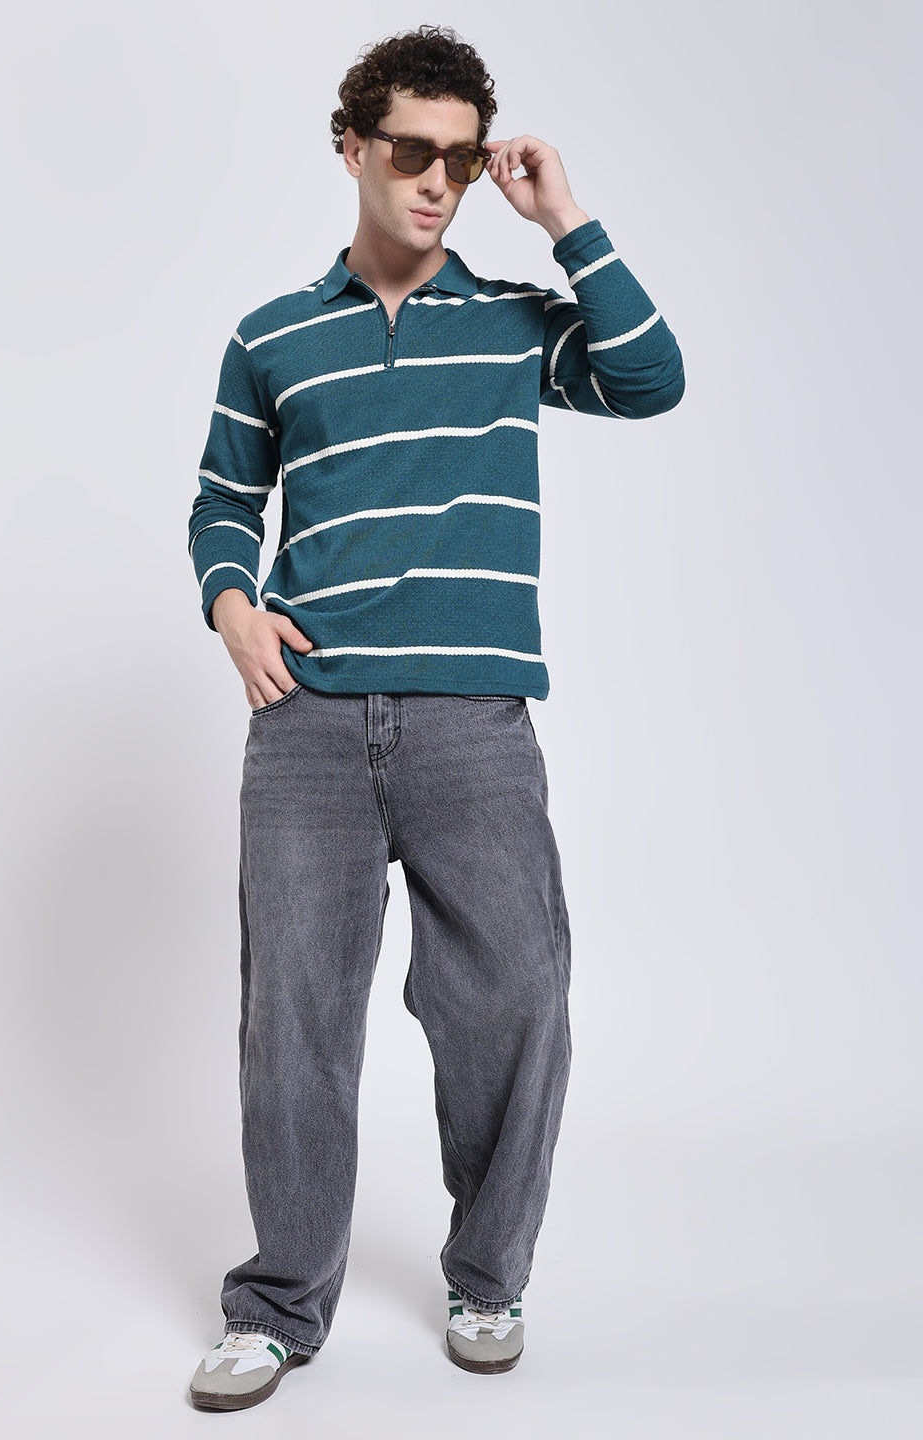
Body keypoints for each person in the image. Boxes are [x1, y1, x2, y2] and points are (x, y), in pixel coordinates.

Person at [185, 24, 684, 1411]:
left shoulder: (517, 324)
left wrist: (565, 218)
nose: (436, 180)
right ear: (351, 146)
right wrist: (232, 607)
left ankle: (490, 1276)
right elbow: (222, 499)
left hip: (473, 722)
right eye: (412, 150)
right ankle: (279, 1305)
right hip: (307, 726)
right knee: (293, 1019)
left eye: (460, 160)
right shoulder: (273, 336)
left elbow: (653, 379)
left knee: (516, 996)